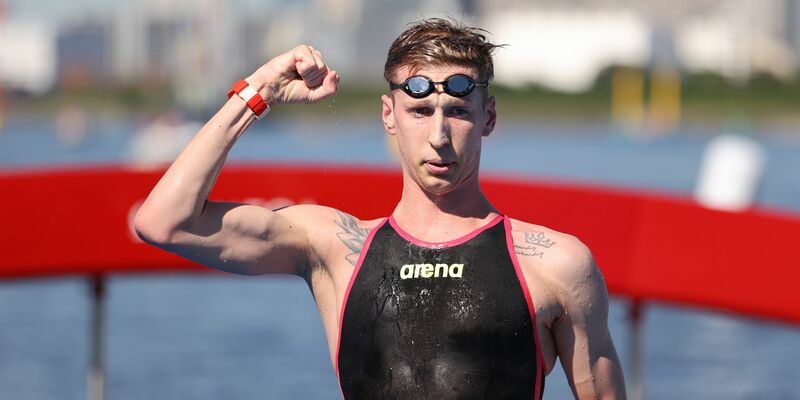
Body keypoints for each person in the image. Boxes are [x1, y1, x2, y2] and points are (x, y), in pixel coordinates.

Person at [134, 18, 626, 399]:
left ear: (488, 118)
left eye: (457, 112)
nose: (438, 137)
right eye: (420, 111)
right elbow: (164, 222)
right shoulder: (334, 247)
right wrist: (260, 89)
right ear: (389, 116)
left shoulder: (555, 263)